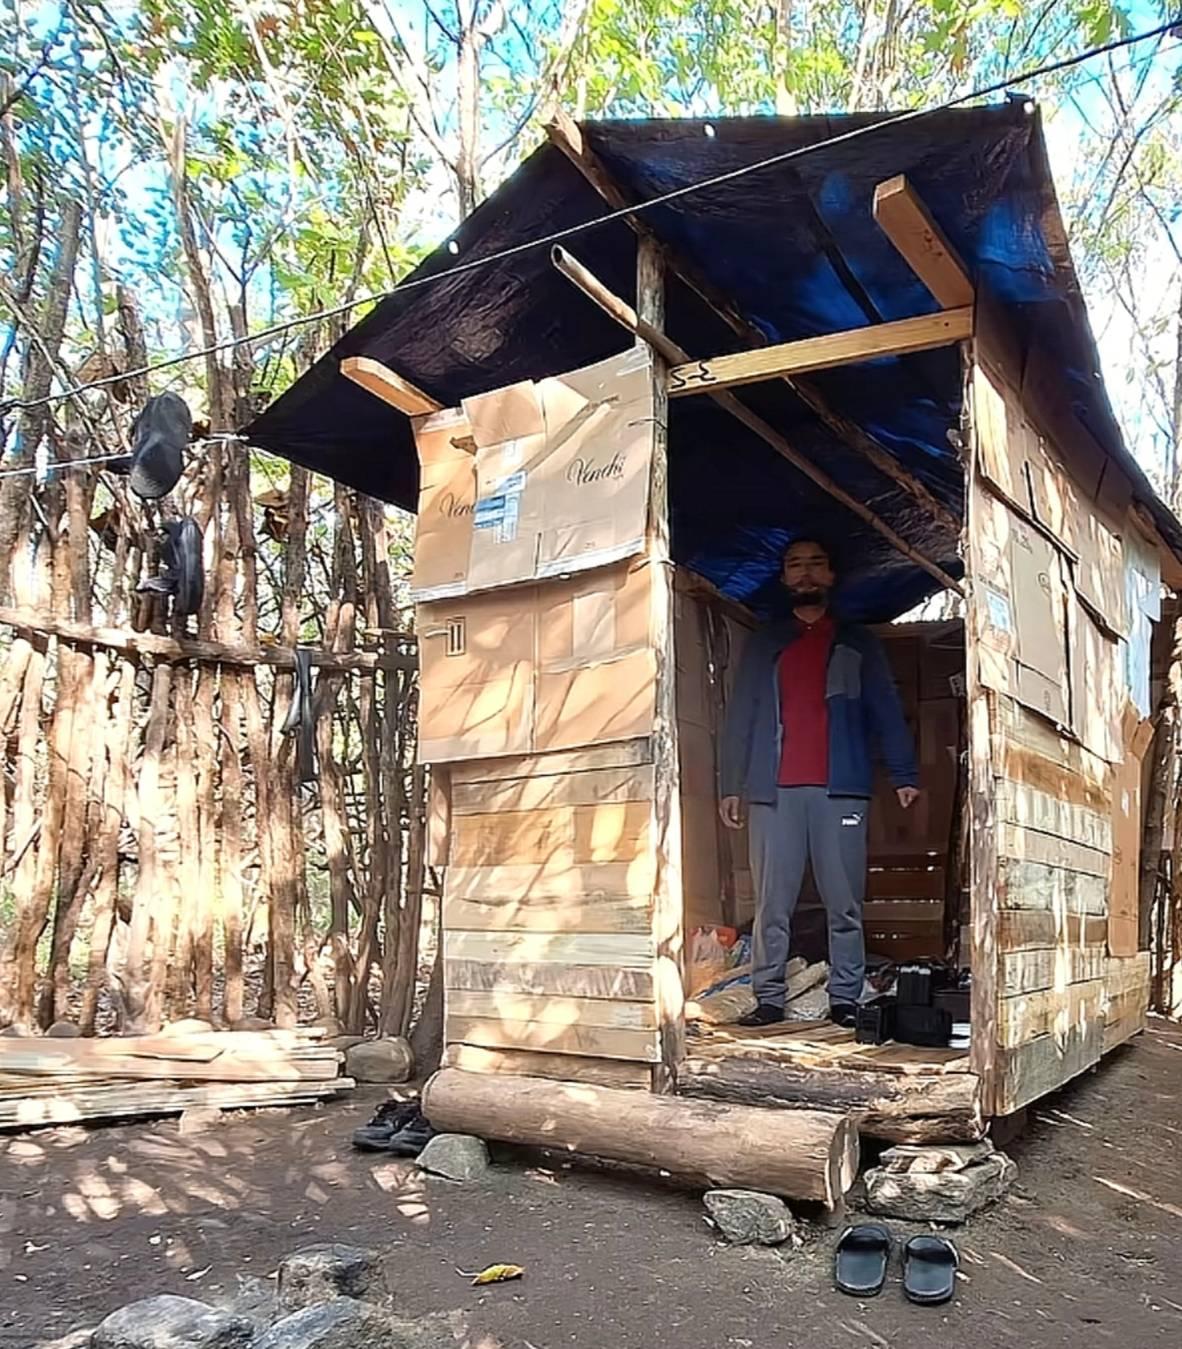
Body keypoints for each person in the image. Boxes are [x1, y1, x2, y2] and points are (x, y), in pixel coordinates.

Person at [718, 537, 919, 1028]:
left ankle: (845, 998)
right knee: (772, 903)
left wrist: (904, 773)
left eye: (816, 564)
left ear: (831, 576)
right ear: (785, 579)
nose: (805, 574)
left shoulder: (857, 642)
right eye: (795, 566)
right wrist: (731, 783)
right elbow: (740, 714)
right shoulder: (767, 642)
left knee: (844, 902)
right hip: (773, 793)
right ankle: (769, 998)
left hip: (841, 789)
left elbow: (885, 710)